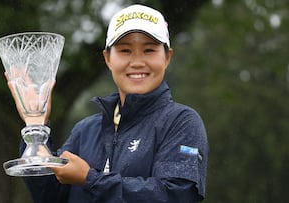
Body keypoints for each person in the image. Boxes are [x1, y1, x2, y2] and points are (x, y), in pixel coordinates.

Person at [18, 4, 209, 203]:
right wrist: (36, 124)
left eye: (149, 50)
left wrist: (91, 179)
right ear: (108, 58)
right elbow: (48, 196)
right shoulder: (86, 130)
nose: (137, 62)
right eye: (125, 50)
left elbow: (177, 195)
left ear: (167, 57)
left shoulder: (181, 122)